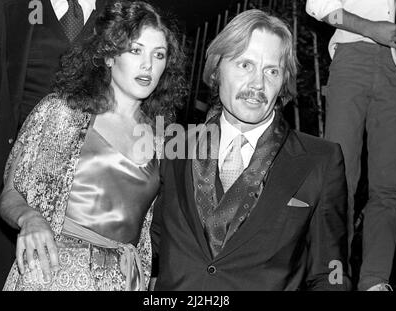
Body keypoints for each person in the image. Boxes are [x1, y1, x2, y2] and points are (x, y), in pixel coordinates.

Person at [150, 9, 351, 291]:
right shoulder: (174, 147)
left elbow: (331, 272)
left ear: (283, 82)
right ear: (217, 69)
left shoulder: (321, 161)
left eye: (272, 71)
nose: (258, 84)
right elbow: (151, 244)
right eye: (245, 65)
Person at [0, 0, 186, 291]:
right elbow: (10, 193)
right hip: (52, 272)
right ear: (109, 55)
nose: (147, 65)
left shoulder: (162, 138)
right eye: (135, 50)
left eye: (158, 55)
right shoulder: (61, 112)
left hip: (122, 280)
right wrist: (30, 218)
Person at [0, 0, 107, 290]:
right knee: (9, 278)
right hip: (18, 177)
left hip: (93, 181)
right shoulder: (14, 7)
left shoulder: (119, 11)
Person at [306, 0, 396, 291]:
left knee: (388, 187)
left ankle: (376, 282)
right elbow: (318, 5)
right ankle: (333, 279)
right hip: (352, 59)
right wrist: (370, 28)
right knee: (338, 182)